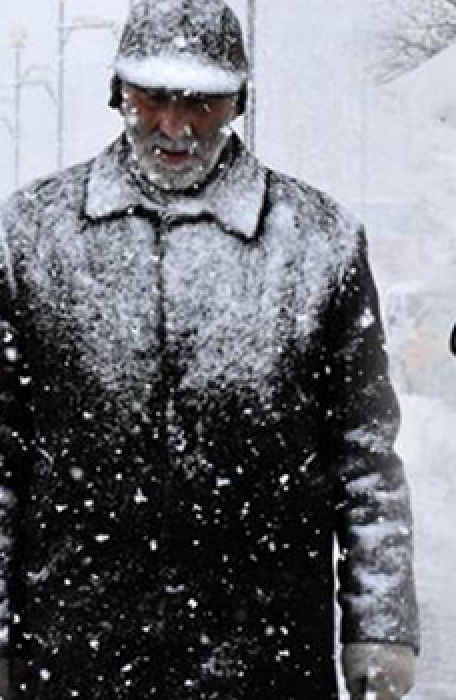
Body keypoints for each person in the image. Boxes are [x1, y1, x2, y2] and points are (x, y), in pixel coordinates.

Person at [0, 2, 419, 698]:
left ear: (238, 101)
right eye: (154, 95)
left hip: (264, 650)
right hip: (80, 648)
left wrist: (379, 628)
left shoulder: (319, 244)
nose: (175, 125)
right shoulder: (34, 238)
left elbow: (364, 457)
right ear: (118, 92)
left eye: (202, 99)